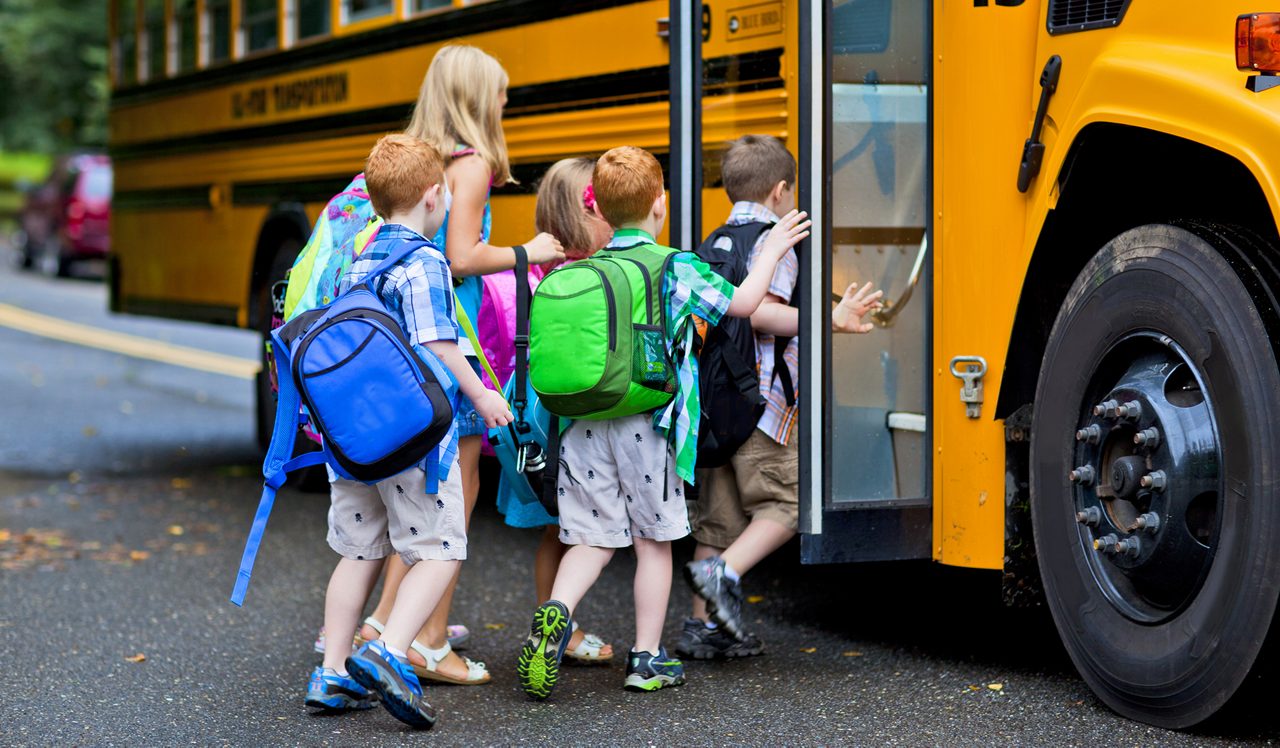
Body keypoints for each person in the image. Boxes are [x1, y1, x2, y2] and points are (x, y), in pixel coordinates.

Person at [515, 145, 811, 698]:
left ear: (598, 211)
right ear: (661, 204)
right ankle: (646, 659)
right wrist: (769, 251)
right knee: (653, 543)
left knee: (592, 541)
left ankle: (556, 611)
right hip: (647, 427)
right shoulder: (676, 266)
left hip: (582, 426)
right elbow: (745, 303)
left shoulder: (585, 268)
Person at [346, 44, 566, 685]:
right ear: (475, 99)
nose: (504, 103)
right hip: (453, 331)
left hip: (402, 341)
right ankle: (429, 641)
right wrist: (528, 250)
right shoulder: (468, 166)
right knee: (456, 489)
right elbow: (463, 256)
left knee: (420, 492)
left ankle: (386, 623)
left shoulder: (414, 157)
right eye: (499, 93)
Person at [306, 133, 513, 730]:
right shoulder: (423, 261)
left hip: (352, 436)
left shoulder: (357, 253)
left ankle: (335, 670)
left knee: (358, 550)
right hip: (414, 438)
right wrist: (483, 394)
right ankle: (390, 649)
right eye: (445, 192)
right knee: (443, 548)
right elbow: (437, 343)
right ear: (433, 196)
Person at [680, 134, 883, 659]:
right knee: (790, 502)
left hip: (713, 407)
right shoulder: (778, 237)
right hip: (761, 407)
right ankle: (720, 574)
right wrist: (830, 319)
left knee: (719, 522)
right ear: (780, 189)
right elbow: (764, 311)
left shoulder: (716, 240)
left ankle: (703, 629)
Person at [495, 157, 614, 663]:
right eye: (602, 205)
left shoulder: (545, 272)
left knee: (554, 529)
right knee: (578, 528)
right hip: (564, 422)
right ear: (582, 216)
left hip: (530, 412)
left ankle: (549, 624)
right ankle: (561, 626)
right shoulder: (582, 278)